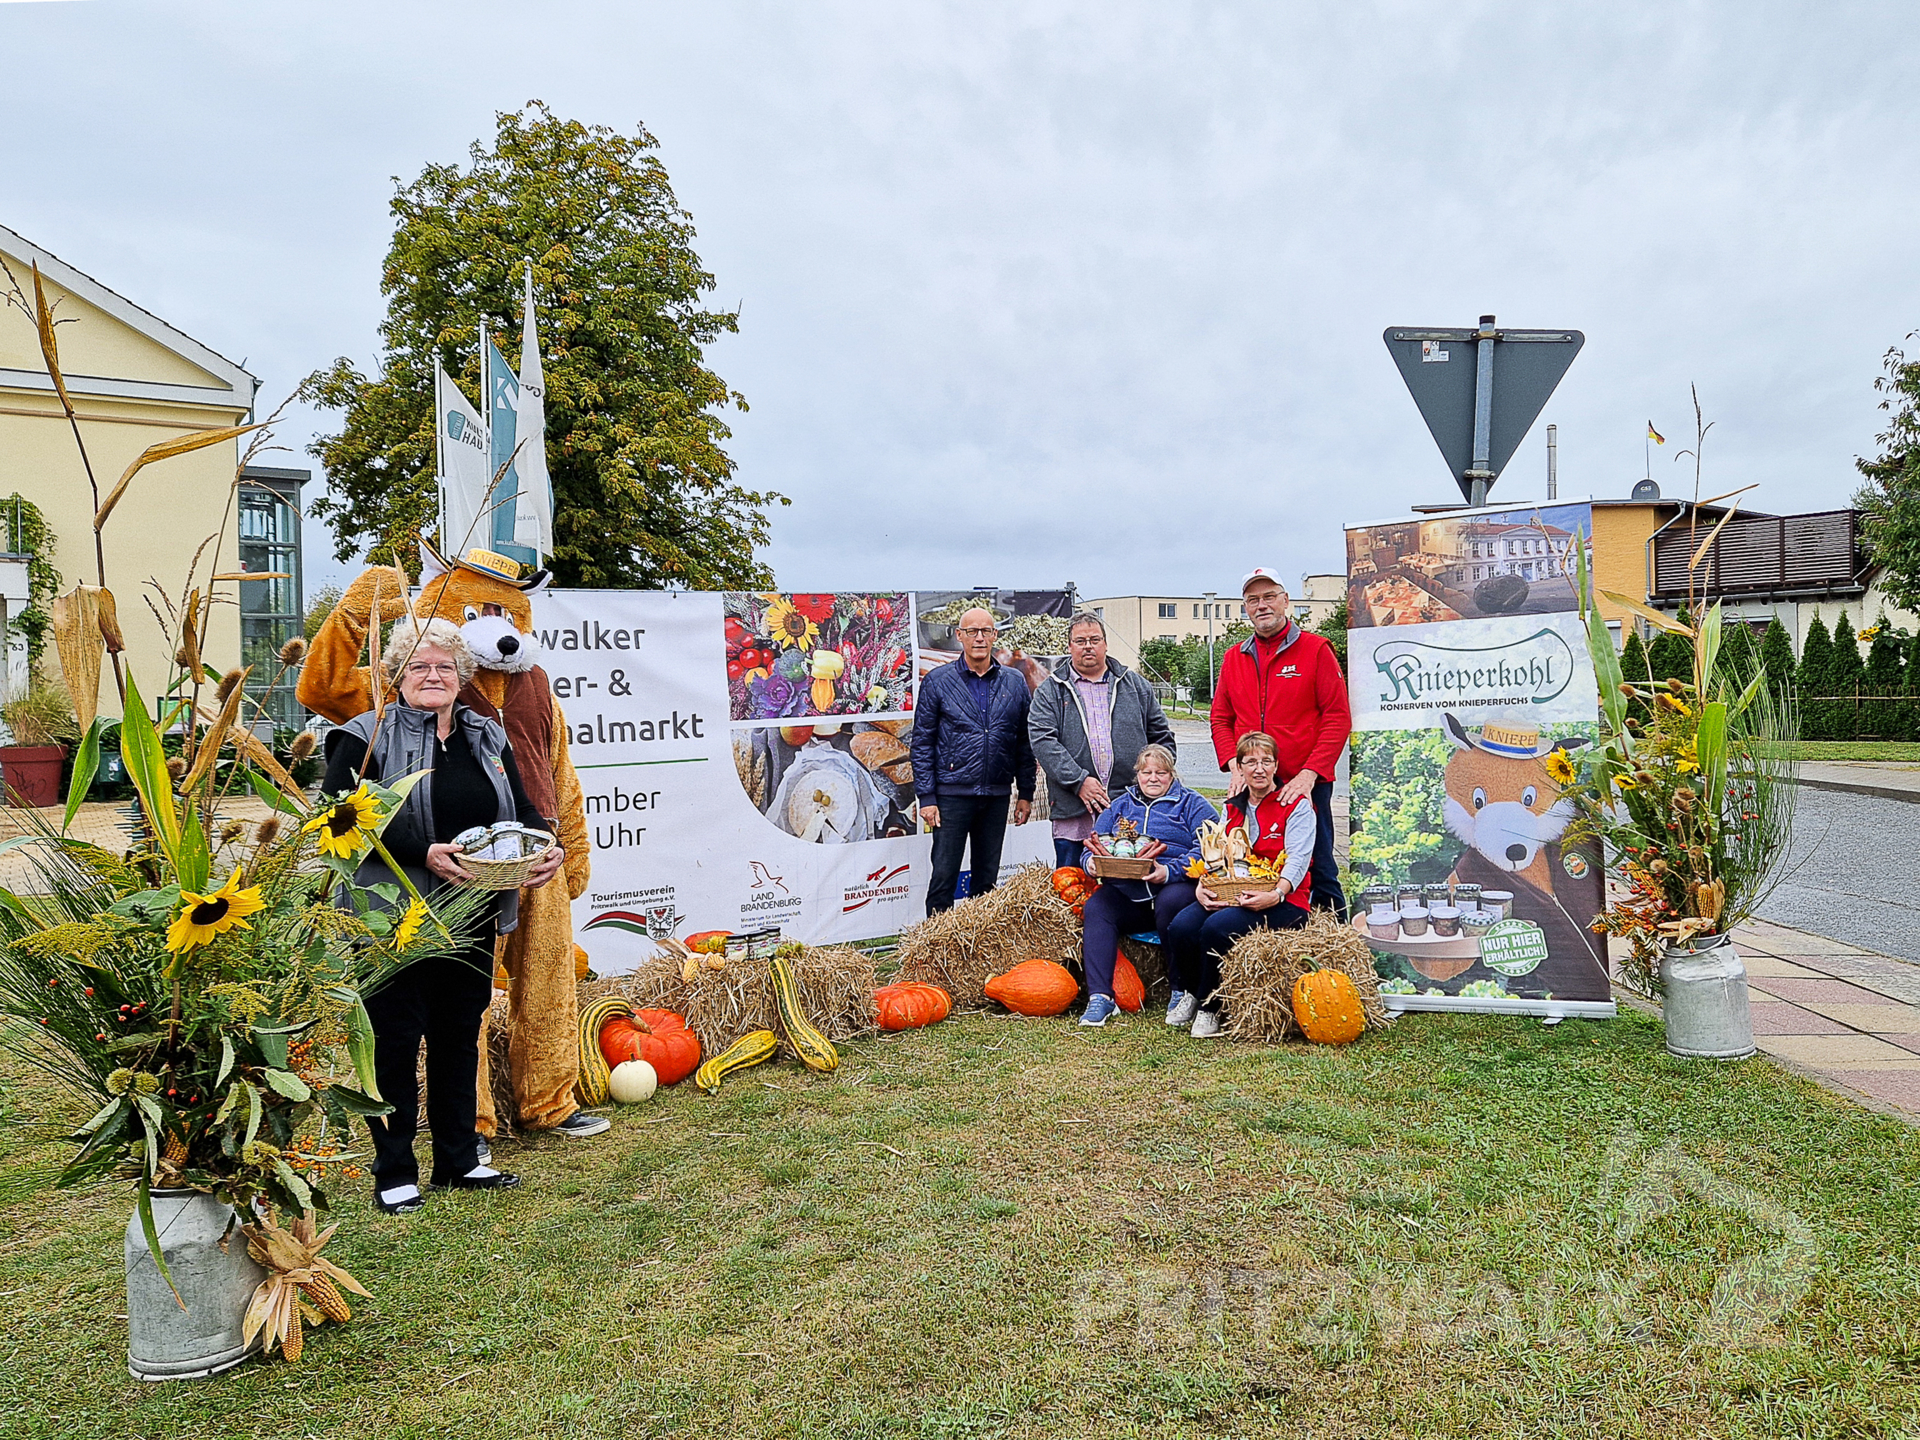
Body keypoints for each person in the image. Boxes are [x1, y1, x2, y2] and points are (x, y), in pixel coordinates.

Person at [319, 617, 573, 1215]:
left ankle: (459, 1160)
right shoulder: (364, 735)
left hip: (472, 908)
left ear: (461, 677)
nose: (432, 676)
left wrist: (546, 843)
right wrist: (419, 850)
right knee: (395, 1039)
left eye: (444, 667)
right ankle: (395, 1170)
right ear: (396, 677)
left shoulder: (486, 733)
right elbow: (333, 820)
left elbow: (522, 808)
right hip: (391, 914)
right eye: (418, 667)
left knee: (460, 1032)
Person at [1209, 567, 1351, 917]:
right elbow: (1220, 719)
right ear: (1245, 608)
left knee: (1319, 866)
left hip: (1302, 781)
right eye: (1253, 600)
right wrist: (1234, 765)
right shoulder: (1233, 658)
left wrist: (1310, 774)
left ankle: (1336, 944)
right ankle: (1263, 931)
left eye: (1269, 596)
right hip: (1252, 783)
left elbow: (1337, 717)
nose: (1262, 606)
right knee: (1247, 862)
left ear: (1286, 601)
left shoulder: (1316, 650)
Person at [1163, 731, 1314, 1038]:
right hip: (1233, 893)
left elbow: (1298, 858)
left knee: (1216, 928)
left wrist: (1276, 894)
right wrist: (1201, 888)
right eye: (1250, 762)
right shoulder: (1232, 808)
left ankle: (1211, 1007)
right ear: (1240, 768)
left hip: (1285, 901)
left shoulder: (1296, 806)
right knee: (1181, 926)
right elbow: (1215, 854)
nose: (1258, 769)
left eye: (1266, 761)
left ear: (1275, 766)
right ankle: (1190, 992)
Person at [1075, 744, 1214, 1027]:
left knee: (1170, 902)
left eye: (1161, 772)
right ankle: (1100, 997)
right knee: (1098, 906)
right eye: (1147, 772)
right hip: (1128, 890)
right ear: (1137, 775)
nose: (1153, 778)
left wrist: (1169, 871)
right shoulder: (1120, 806)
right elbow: (1094, 843)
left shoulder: (1192, 803)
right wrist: (1091, 863)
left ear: (1172, 775)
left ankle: (1180, 989)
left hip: (1174, 886)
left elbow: (1210, 847)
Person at [1028, 612, 1177, 871]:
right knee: (1071, 884)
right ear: (1069, 646)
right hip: (1074, 808)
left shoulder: (1136, 686)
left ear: (1106, 644)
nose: (1088, 646)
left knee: (1128, 886)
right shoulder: (1050, 690)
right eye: (1081, 640)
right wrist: (1079, 781)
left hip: (1131, 806)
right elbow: (1043, 740)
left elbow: (1162, 738)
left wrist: (1152, 781)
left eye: (1094, 639)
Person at [911, 606, 1036, 914]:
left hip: (996, 797)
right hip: (951, 797)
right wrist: (927, 797)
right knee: (943, 877)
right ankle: (935, 952)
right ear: (960, 636)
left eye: (986, 631)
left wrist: (1027, 793)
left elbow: (1024, 741)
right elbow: (922, 743)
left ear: (995, 636)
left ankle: (977, 952)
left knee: (986, 881)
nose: (979, 638)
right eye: (972, 632)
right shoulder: (937, 682)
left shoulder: (1015, 682)